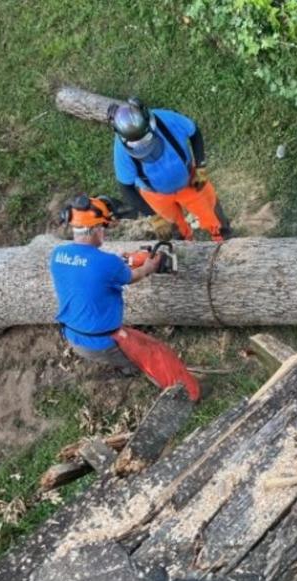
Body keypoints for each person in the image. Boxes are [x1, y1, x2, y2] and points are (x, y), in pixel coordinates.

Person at [50, 195, 201, 400]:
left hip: (74, 334)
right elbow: (132, 275)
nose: (104, 233)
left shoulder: (58, 254)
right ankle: (187, 395)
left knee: (138, 344)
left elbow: (86, 273)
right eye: (103, 228)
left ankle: (125, 366)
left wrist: (121, 261)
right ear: (94, 229)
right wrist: (148, 267)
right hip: (102, 340)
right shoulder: (106, 263)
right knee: (157, 355)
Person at [111, 97, 232, 242]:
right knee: (173, 229)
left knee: (211, 211)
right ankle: (184, 242)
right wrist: (152, 215)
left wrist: (200, 166)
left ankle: (223, 236)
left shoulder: (167, 120)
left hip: (190, 180)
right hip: (156, 195)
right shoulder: (122, 150)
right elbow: (126, 189)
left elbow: (194, 132)